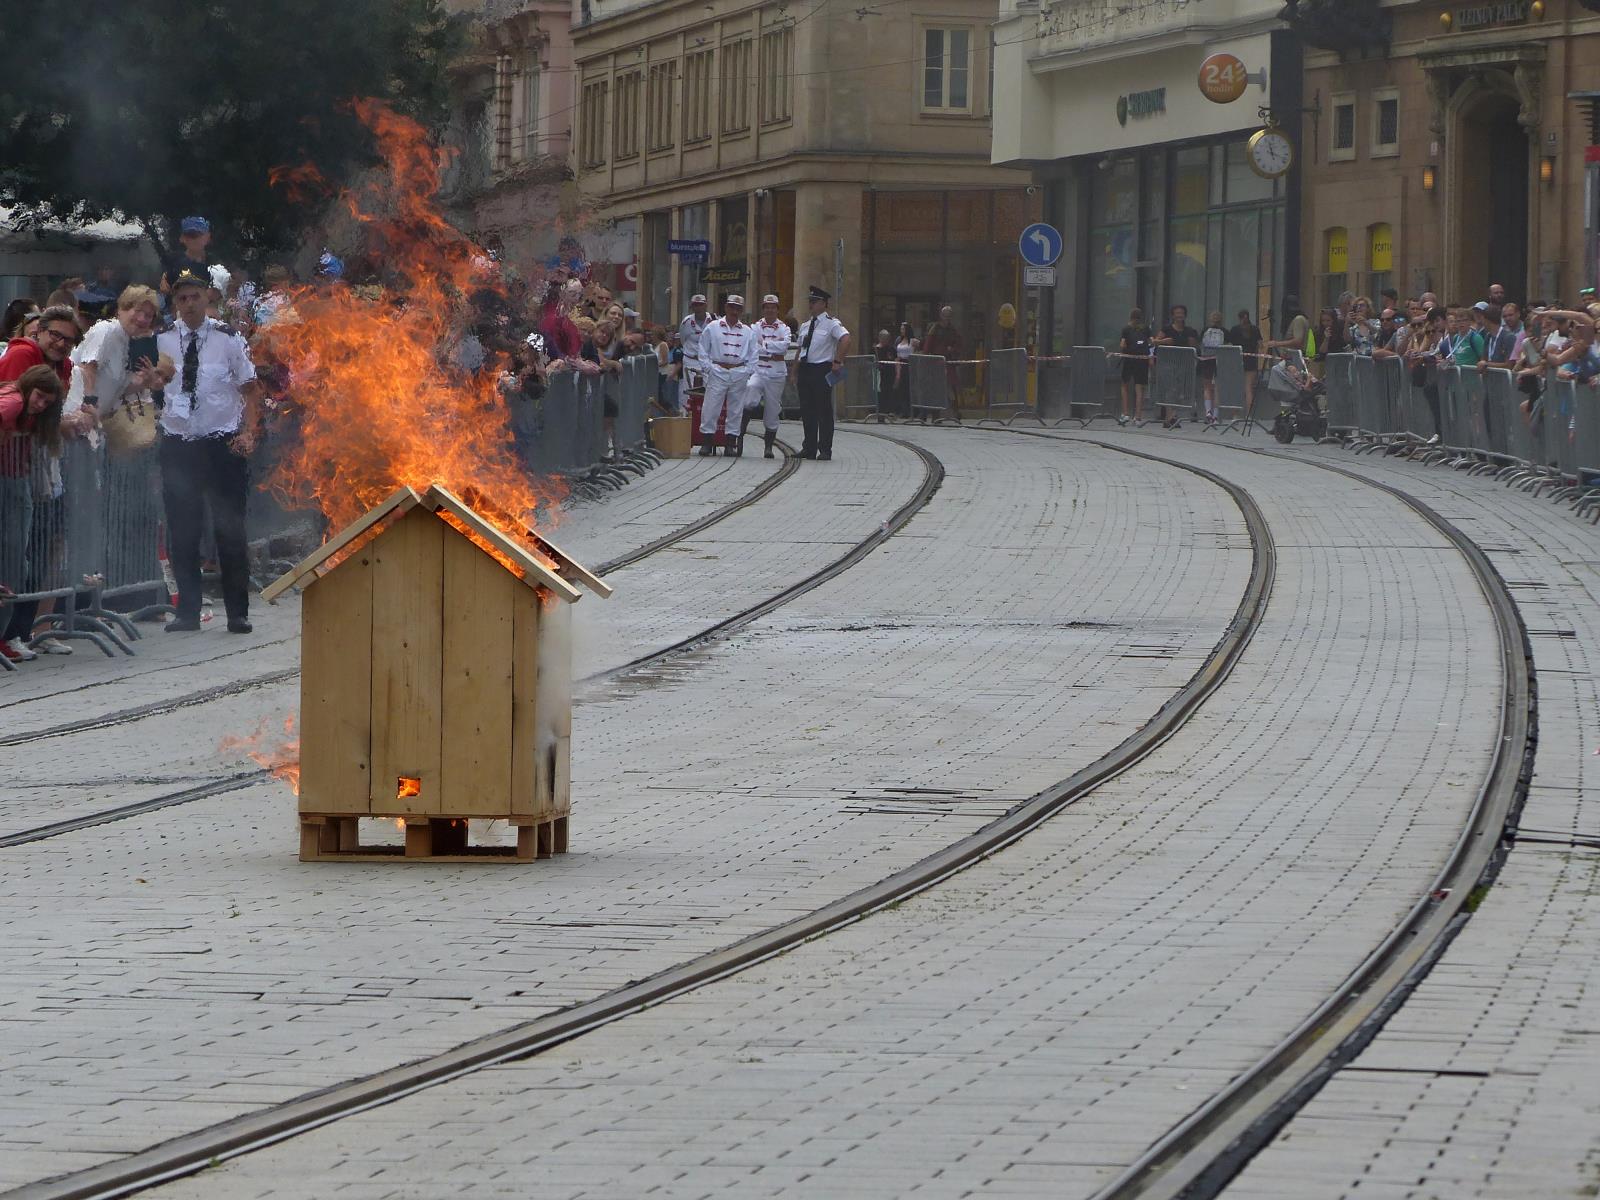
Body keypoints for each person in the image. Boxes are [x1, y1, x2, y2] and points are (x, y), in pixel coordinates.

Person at [154, 270, 261, 635]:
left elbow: (250, 389)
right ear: (175, 304)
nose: (189, 304)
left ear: (207, 297)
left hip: (222, 444)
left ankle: (237, 612)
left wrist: (249, 432)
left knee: (229, 528)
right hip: (179, 443)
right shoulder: (162, 340)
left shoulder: (228, 339)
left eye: (195, 296)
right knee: (183, 530)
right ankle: (187, 611)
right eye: (182, 299)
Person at [0, 366, 67, 662]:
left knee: (17, 566)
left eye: (46, 403)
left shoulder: (19, 400)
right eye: (39, 397)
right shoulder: (13, 401)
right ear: (28, 386)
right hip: (9, 484)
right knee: (13, 566)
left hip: (15, 483)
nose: (40, 405)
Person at [67, 285, 164, 421]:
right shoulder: (106, 330)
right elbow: (87, 370)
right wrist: (89, 407)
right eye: (138, 311)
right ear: (122, 309)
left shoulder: (126, 342)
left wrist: (145, 382)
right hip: (75, 416)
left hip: (92, 422)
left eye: (148, 315)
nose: (142, 319)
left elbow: (119, 389)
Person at [697, 295, 759, 456]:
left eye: (738, 308)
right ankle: (707, 442)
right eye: (732, 307)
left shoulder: (748, 331)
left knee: (736, 410)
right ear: (726, 307)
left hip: (739, 372)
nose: (734, 311)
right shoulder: (713, 327)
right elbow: (703, 349)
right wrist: (708, 368)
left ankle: (730, 443)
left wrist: (747, 371)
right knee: (711, 407)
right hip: (718, 371)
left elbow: (754, 354)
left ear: (741, 310)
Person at [793, 285, 850, 460]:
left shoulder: (832, 323)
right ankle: (809, 447)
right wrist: (794, 371)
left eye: (814, 301)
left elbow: (846, 339)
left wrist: (838, 361)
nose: (811, 304)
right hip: (806, 369)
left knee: (823, 410)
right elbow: (800, 349)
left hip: (821, 369)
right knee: (807, 410)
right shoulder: (805, 325)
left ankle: (825, 449)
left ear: (824, 304)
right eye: (810, 301)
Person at [743, 295, 792, 458]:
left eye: (773, 307)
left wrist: (763, 344)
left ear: (777, 309)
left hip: (776, 373)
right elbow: (752, 347)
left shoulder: (784, 328)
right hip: (758, 369)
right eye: (767, 307)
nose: (770, 310)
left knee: (772, 410)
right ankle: (739, 435)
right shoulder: (754, 327)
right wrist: (773, 346)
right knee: (750, 391)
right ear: (763, 309)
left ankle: (768, 446)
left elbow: (784, 347)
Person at [1154, 304, 1201, 428]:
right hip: (1168, 365)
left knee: (1180, 391)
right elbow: (1155, 342)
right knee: (1171, 390)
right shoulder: (1167, 329)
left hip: (1184, 365)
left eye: (1182, 313)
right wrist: (1164, 341)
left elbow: (1195, 347)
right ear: (1173, 315)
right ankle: (1168, 417)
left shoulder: (1190, 331)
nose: (1179, 315)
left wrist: (1193, 344)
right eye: (1177, 313)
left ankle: (1173, 416)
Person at [920, 306, 963, 421]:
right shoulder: (935, 329)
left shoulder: (952, 330)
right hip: (935, 364)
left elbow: (958, 344)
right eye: (945, 316)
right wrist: (926, 359)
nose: (947, 318)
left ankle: (956, 412)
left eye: (949, 316)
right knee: (934, 390)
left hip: (948, 364)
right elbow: (928, 345)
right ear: (941, 316)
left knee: (951, 388)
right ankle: (933, 415)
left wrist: (952, 350)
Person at [160, 216, 214, 299]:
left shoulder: (214, 263)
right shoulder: (174, 261)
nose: (194, 239)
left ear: (208, 237)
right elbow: (164, 288)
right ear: (182, 238)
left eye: (199, 235)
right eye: (190, 235)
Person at [1118, 307, 1153, 426]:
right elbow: (1151, 342)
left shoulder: (1126, 329)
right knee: (1140, 388)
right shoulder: (1146, 329)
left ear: (1131, 317)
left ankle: (1125, 413)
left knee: (1124, 385)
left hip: (1129, 359)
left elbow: (1122, 344)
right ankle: (1138, 416)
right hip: (1142, 360)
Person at [1227, 309, 1263, 418]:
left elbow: (1229, 344)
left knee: (1236, 388)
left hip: (1237, 360)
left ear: (1239, 318)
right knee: (1249, 389)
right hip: (1251, 360)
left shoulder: (1235, 330)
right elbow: (1261, 345)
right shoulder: (1255, 329)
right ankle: (1248, 415)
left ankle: (1235, 415)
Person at [1199, 310, 1227, 425]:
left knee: (1207, 386)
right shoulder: (1224, 332)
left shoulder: (1205, 330)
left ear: (1210, 319)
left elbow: (1201, 343)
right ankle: (1215, 416)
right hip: (1219, 360)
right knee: (1217, 389)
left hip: (1207, 359)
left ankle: (1208, 411)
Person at [678, 294, 711, 390]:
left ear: (705, 305)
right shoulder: (686, 322)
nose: (698, 308)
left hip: (708, 361)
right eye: (695, 305)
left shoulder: (714, 320)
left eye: (700, 305)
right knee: (690, 389)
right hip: (691, 360)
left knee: (709, 389)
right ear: (692, 307)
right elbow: (682, 339)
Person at [894, 322, 917, 417]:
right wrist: (897, 369)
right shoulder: (899, 340)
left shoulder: (912, 341)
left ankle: (912, 410)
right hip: (901, 364)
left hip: (909, 364)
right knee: (901, 388)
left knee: (909, 388)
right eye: (901, 329)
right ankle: (903, 410)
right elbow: (897, 355)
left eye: (903, 329)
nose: (901, 331)